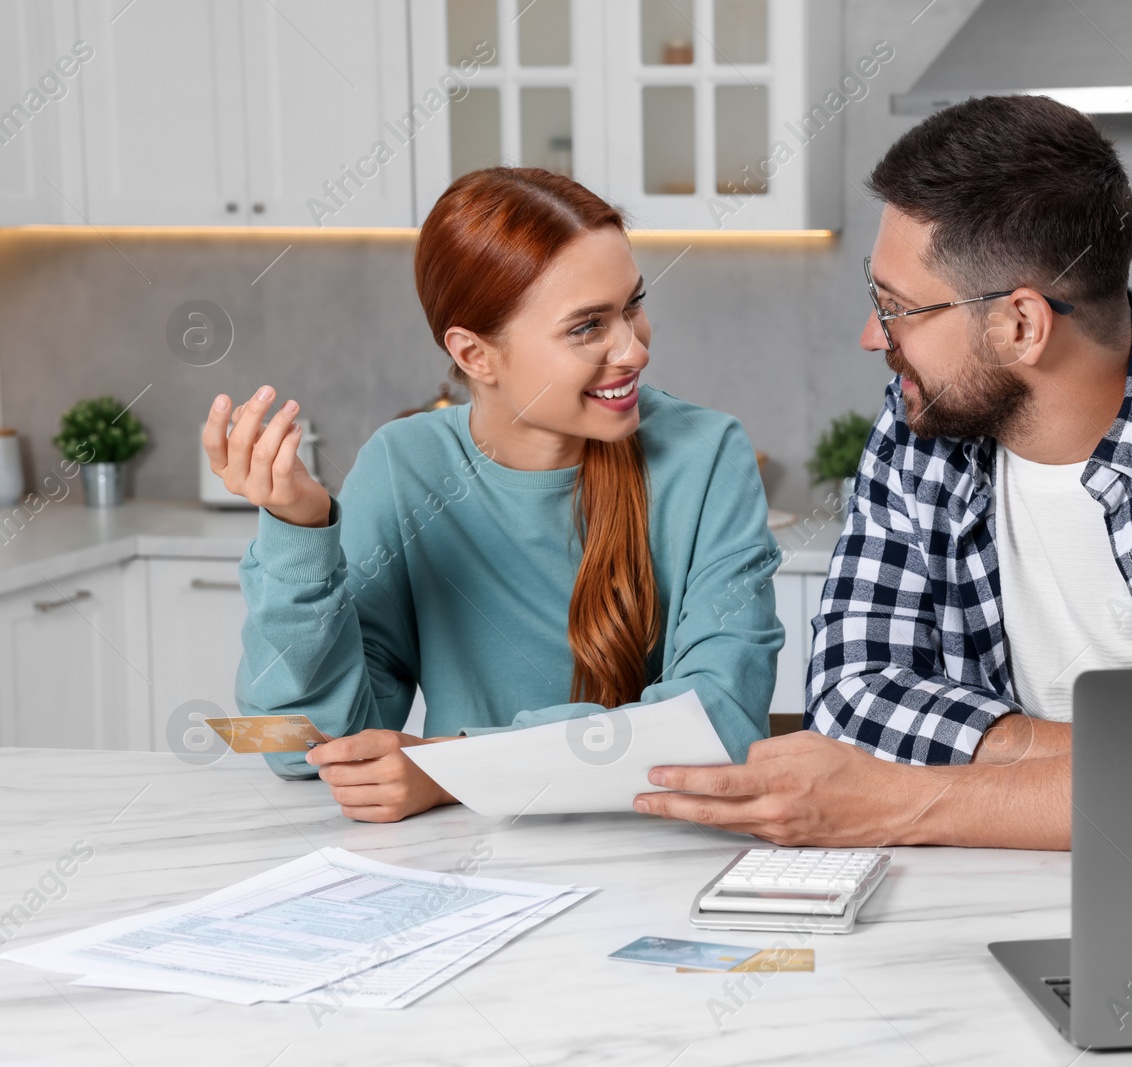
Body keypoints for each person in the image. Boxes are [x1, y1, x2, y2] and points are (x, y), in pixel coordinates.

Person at [634, 95, 1132, 849]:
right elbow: (852, 694)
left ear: (1021, 324)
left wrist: (900, 800)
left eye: (897, 306)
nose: (873, 335)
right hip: (987, 884)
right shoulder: (922, 427)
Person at [207, 167, 782, 823]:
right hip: (464, 857)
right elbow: (304, 743)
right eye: (588, 326)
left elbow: (715, 725)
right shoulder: (407, 467)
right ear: (475, 354)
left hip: (659, 843)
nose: (633, 349)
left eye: (633, 306)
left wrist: (455, 766)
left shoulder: (705, 455)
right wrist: (298, 529)